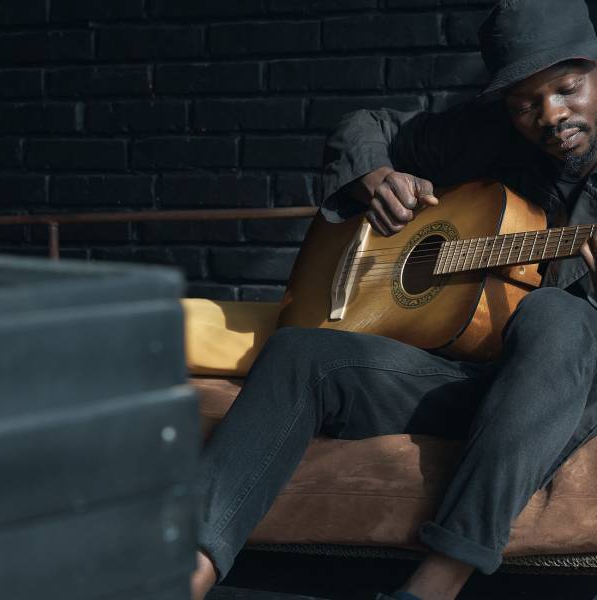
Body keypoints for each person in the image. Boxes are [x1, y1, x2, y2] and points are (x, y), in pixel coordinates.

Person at [191, 1, 597, 599]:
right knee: (302, 352)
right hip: (469, 382)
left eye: (568, 89)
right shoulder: (483, 136)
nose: (551, 115)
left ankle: (436, 581)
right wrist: (376, 178)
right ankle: (185, 570)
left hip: (563, 392)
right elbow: (364, 126)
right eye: (526, 104)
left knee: (555, 314)